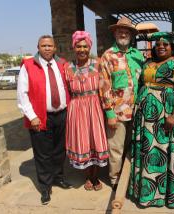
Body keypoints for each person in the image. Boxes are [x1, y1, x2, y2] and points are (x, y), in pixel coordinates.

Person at [128, 32, 174, 208]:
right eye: (158, 44)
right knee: (149, 150)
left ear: (172, 47)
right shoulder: (149, 63)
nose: (161, 47)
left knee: (167, 152)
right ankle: (148, 193)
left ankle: (170, 196)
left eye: (165, 44)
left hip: (166, 116)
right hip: (147, 118)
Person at [17, 35, 72, 205]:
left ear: (55, 48)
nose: (47, 48)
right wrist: (32, 116)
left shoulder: (62, 64)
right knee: (43, 154)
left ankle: (58, 177)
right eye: (44, 45)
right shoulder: (28, 66)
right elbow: (22, 94)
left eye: (50, 45)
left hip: (62, 114)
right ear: (38, 47)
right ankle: (45, 187)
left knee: (59, 150)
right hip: (40, 117)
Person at [99, 16, 144, 190]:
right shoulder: (108, 56)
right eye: (120, 31)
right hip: (117, 113)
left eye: (127, 32)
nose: (123, 34)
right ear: (115, 33)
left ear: (131, 36)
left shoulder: (138, 55)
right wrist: (109, 113)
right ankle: (115, 180)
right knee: (116, 148)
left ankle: (130, 176)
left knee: (133, 146)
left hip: (137, 110)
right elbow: (104, 87)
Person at [64, 31, 109, 191]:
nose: (82, 49)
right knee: (83, 141)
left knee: (94, 140)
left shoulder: (98, 64)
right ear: (74, 47)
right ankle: (87, 177)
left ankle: (95, 176)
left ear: (89, 47)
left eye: (85, 46)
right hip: (76, 109)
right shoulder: (67, 67)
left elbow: (106, 88)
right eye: (78, 46)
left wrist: (108, 110)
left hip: (95, 106)